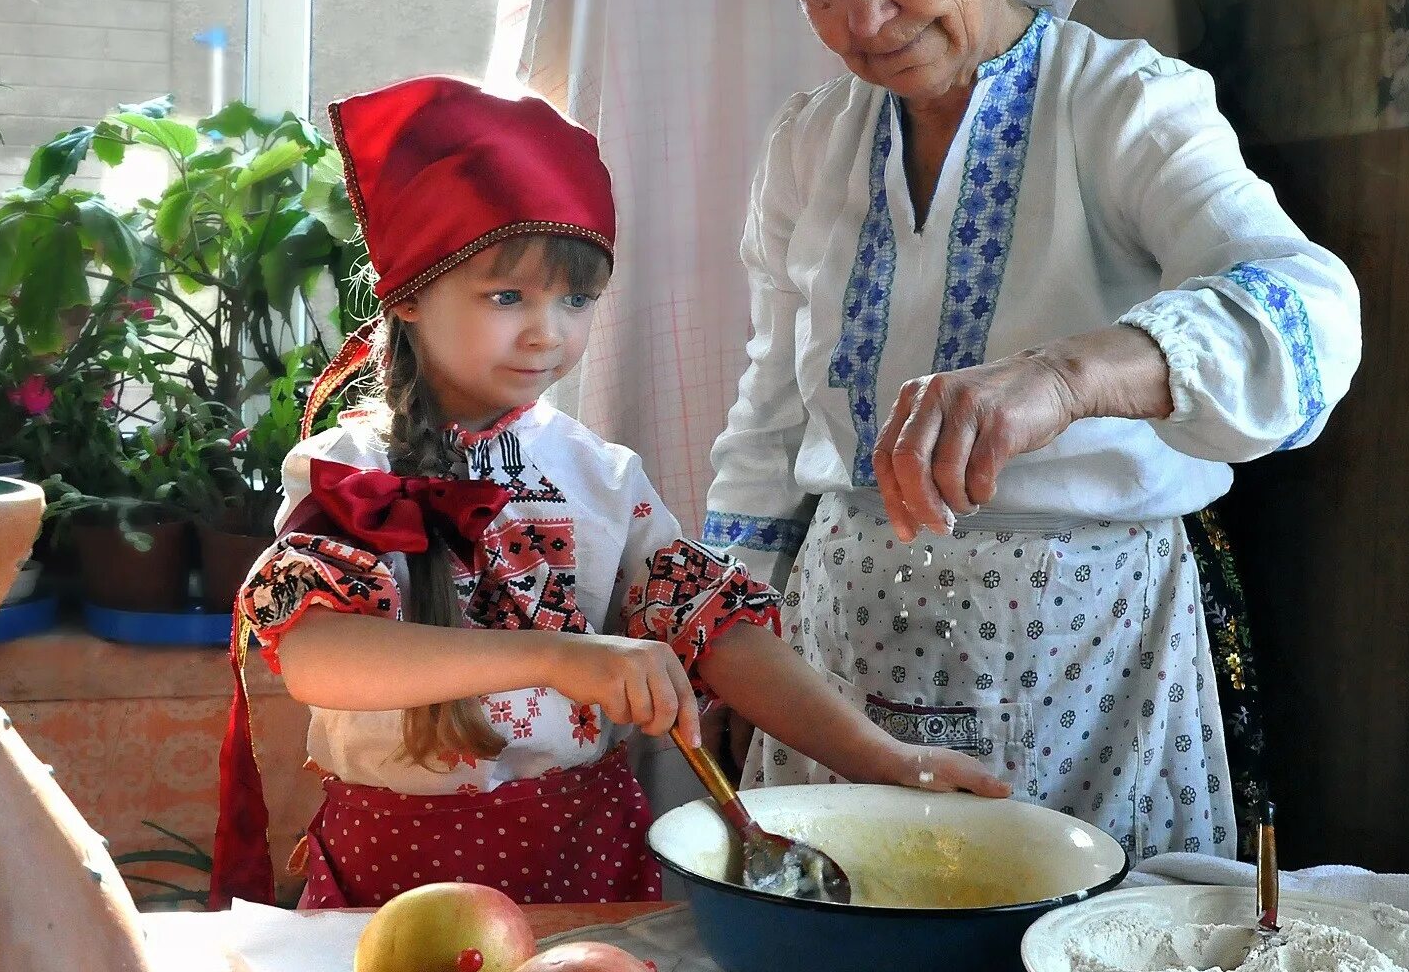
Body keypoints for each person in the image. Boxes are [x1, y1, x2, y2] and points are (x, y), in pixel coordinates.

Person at [704, 0, 1363, 861]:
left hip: (1083, 662)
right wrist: (731, 632)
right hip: (837, 667)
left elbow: (1304, 306)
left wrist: (1065, 377)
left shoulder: (1125, 108)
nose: (864, 17)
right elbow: (771, 411)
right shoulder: (807, 145)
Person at [209, 77, 1001, 910]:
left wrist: (880, 756)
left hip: (583, 863)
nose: (550, 331)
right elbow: (316, 656)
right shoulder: (346, 468)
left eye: (577, 298)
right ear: (405, 293)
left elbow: (717, 634)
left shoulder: (602, 474)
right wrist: (558, 653)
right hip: (396, 875)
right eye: (507, 296)